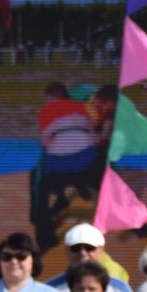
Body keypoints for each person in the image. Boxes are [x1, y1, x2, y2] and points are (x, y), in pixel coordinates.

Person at [31, 84, 103, 247]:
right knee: (100, 169)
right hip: (88, 164)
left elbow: (46, 144)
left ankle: (43, 235)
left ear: (50, 98)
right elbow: (96, 133)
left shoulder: (45, 111)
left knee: (40, 182)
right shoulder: (83, 107)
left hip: (59, 167)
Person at [48, 223, 135, 292]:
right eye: (76, 248)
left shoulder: (120, 290)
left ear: (101, 250)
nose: (83, 253)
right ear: (66, 251)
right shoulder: (50, 291)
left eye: (89, 248)